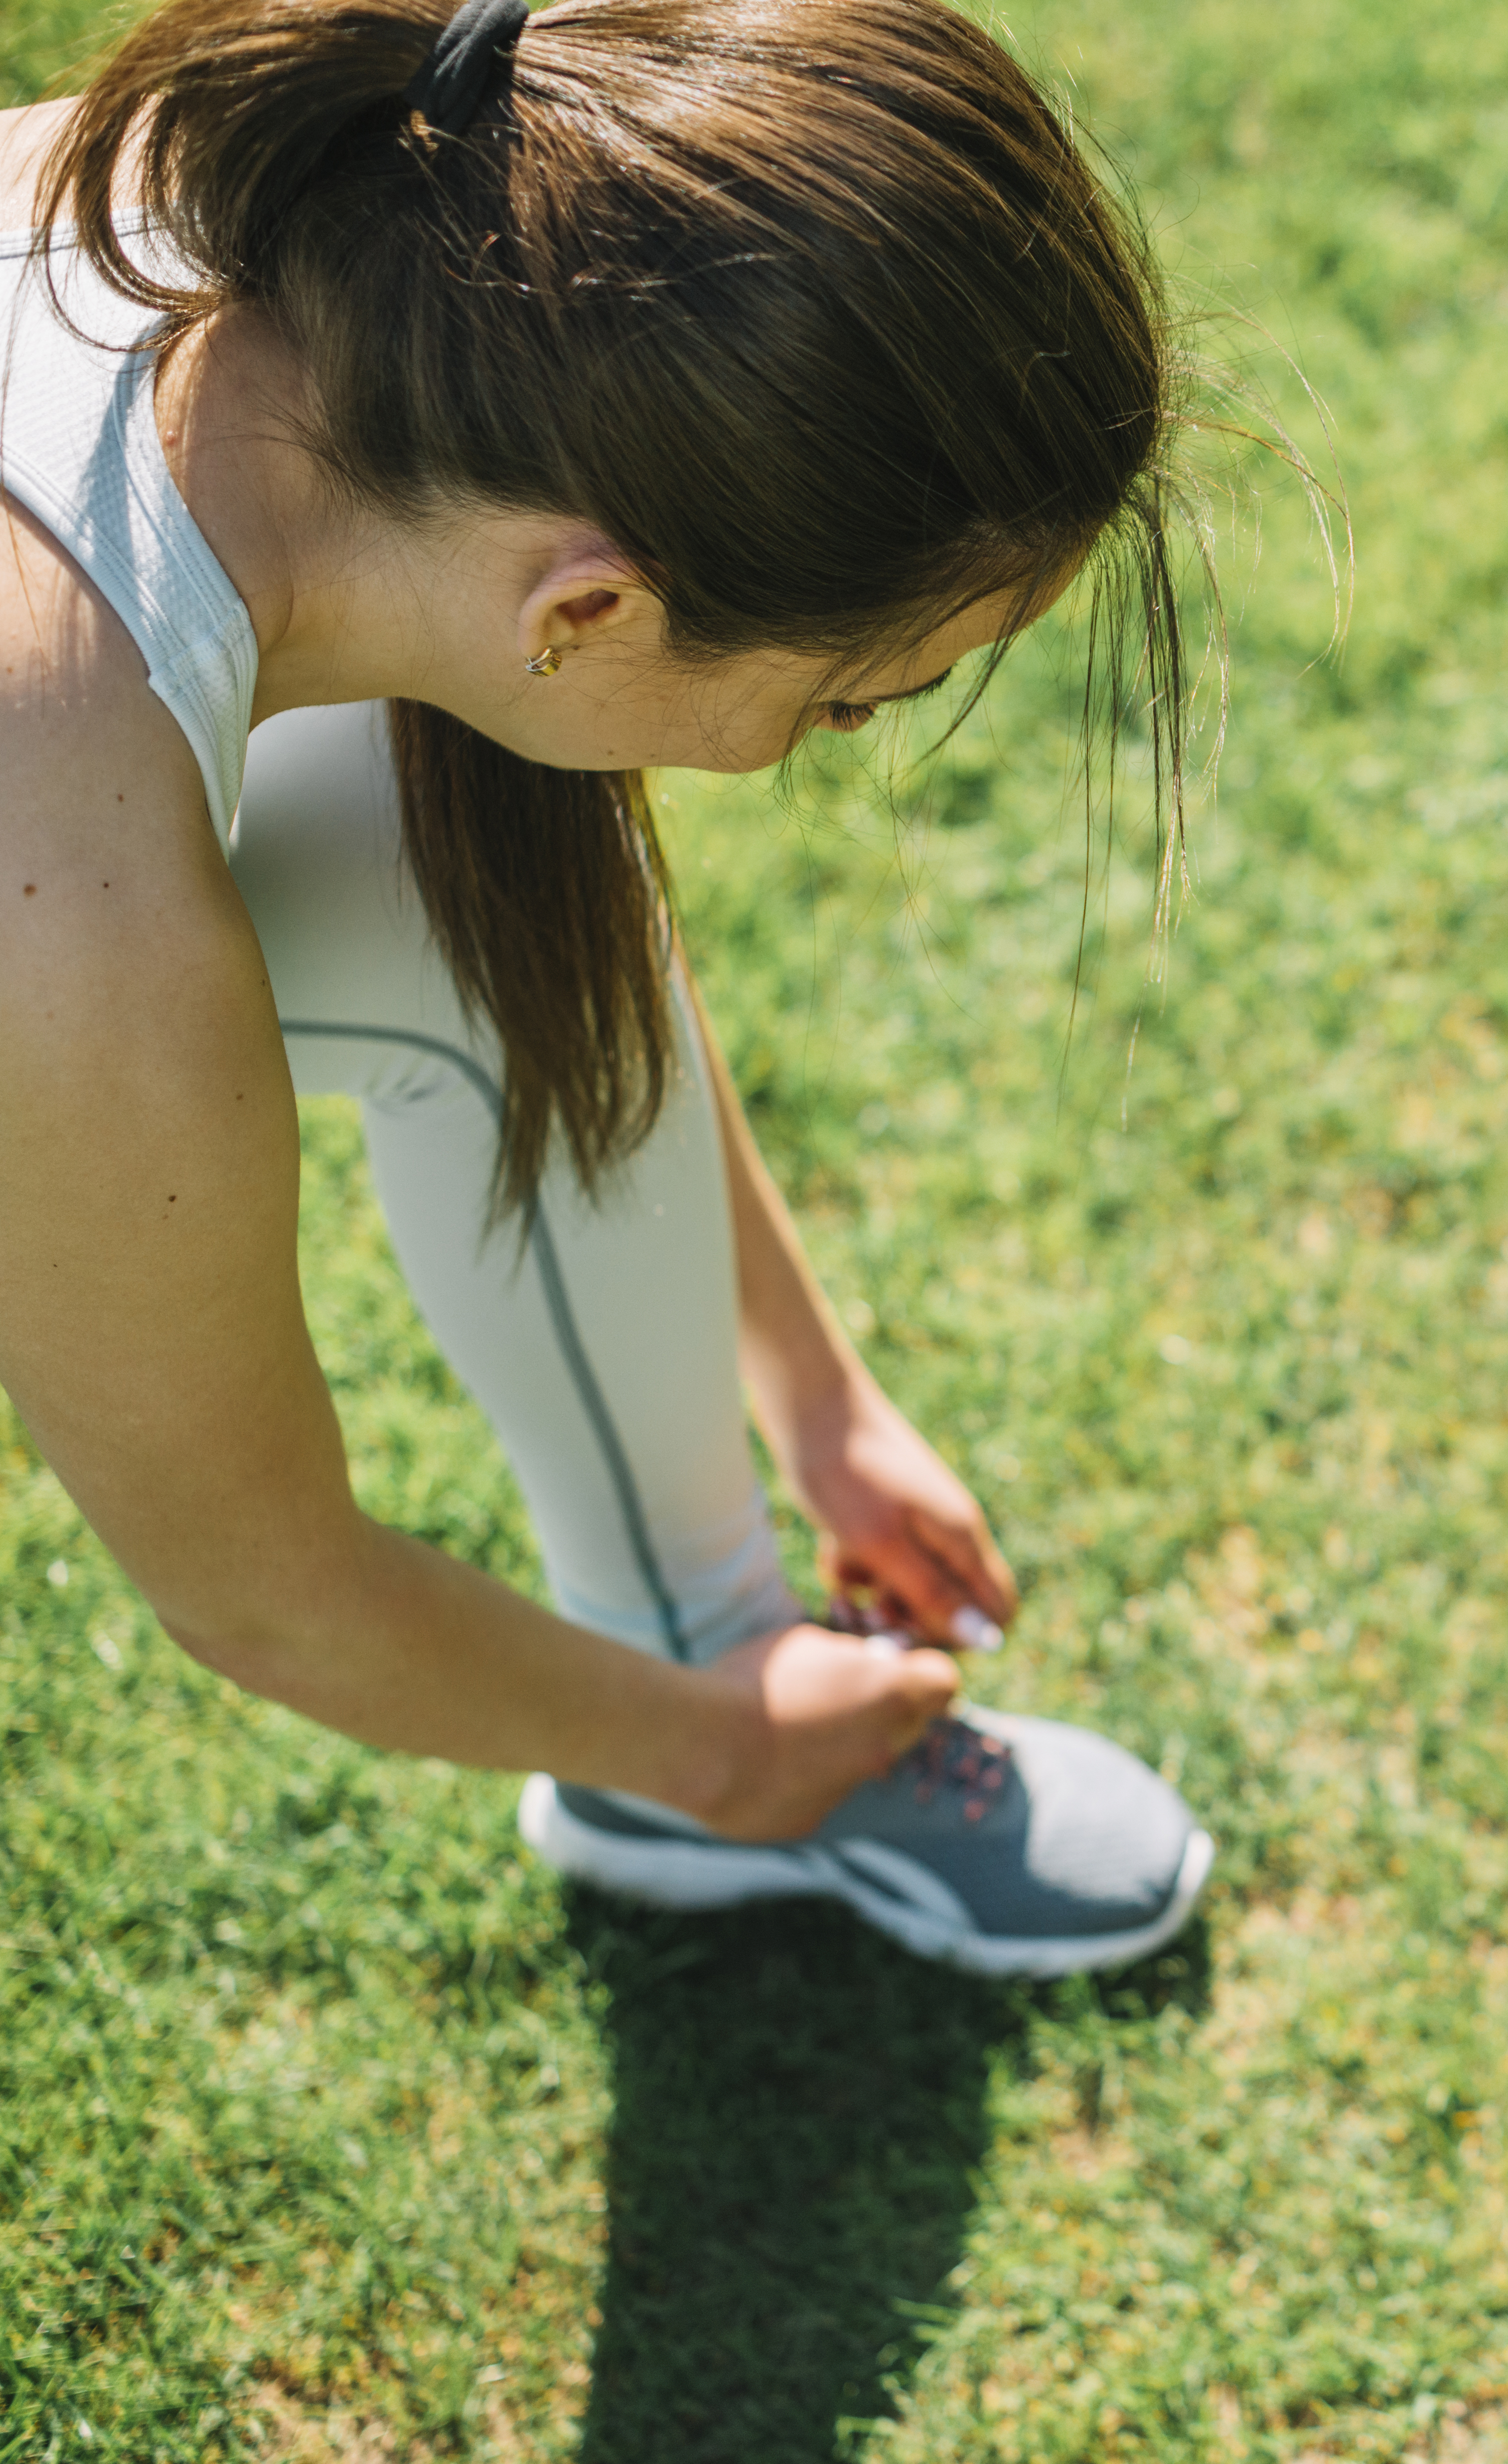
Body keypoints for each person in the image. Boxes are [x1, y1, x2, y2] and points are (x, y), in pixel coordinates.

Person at [2, 0, 1215, 1975]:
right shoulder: (60, 906)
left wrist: (813, 1389)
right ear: (588, 607)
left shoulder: (354, 224)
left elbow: (543, 939)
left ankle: (697, 1632)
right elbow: (259, 1587)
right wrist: (722, 1753)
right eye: (840, 706)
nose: (818, 743)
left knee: (426, 865)